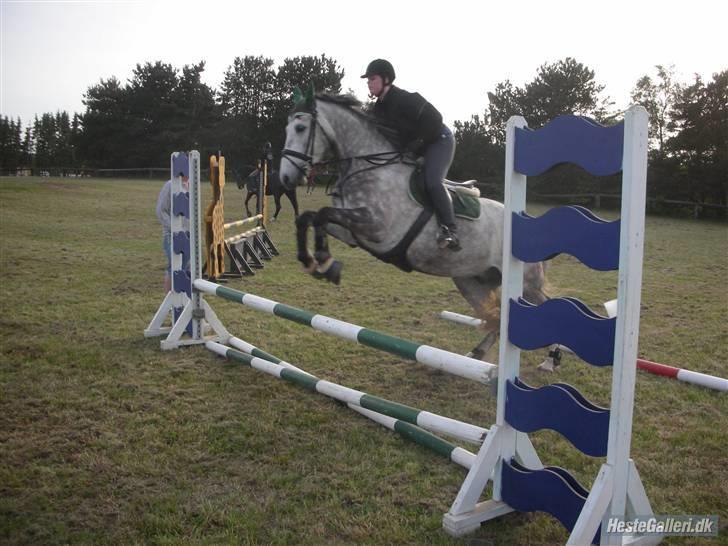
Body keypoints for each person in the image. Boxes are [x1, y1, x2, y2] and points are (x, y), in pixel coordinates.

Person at [362, 58, 461, 251]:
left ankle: (451, 230)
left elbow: (435, 119)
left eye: (372, 79)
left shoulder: (405, 99)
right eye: (368, 80)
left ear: (386, 79)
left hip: (439, 140)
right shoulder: (378, 109)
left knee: (431, 182)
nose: (369, 82)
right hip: (416, 148)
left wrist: (418, 144)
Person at [156, 171, 189, 292]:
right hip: (171, 235)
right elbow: (160, 211)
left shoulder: (192, 186)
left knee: (185, 266)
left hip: (188, 235)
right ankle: (170, 301)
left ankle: (184, 299)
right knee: (175, 265)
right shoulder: (170, 185)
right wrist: (174, 228)